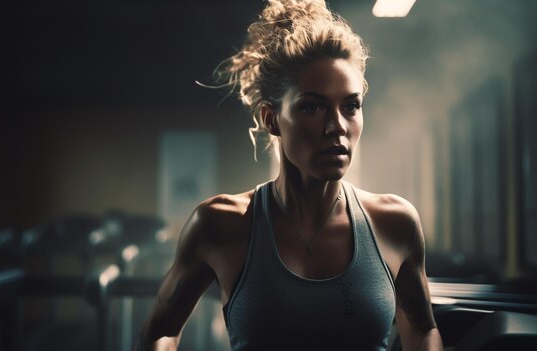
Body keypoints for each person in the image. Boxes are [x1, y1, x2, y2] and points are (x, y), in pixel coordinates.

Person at [136, 0, 443, 350]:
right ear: (271, 119)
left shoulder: (395, 222)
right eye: (313, 106)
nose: (337, 126)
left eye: (350, 106)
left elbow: (422, 329)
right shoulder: (219, 224)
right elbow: (160, 331)